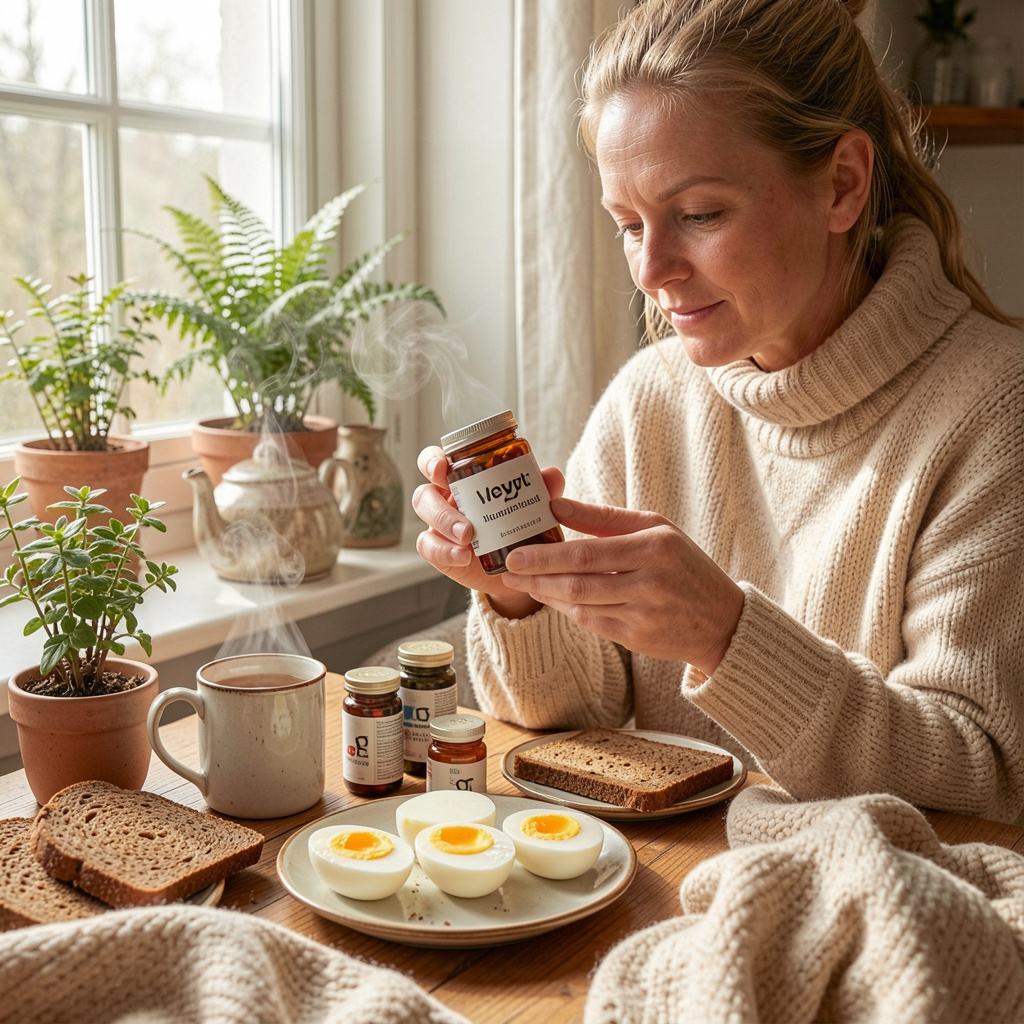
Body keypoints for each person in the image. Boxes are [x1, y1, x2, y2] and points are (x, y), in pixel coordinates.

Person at [412, 0, 1024, 822]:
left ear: (842, 184)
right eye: (628, 224)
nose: (652, 270)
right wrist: (518, 593)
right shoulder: (650, 397)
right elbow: (562, 727)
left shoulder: (995, 412)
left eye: (698, 214)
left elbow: (980, 779)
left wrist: (725, 635)